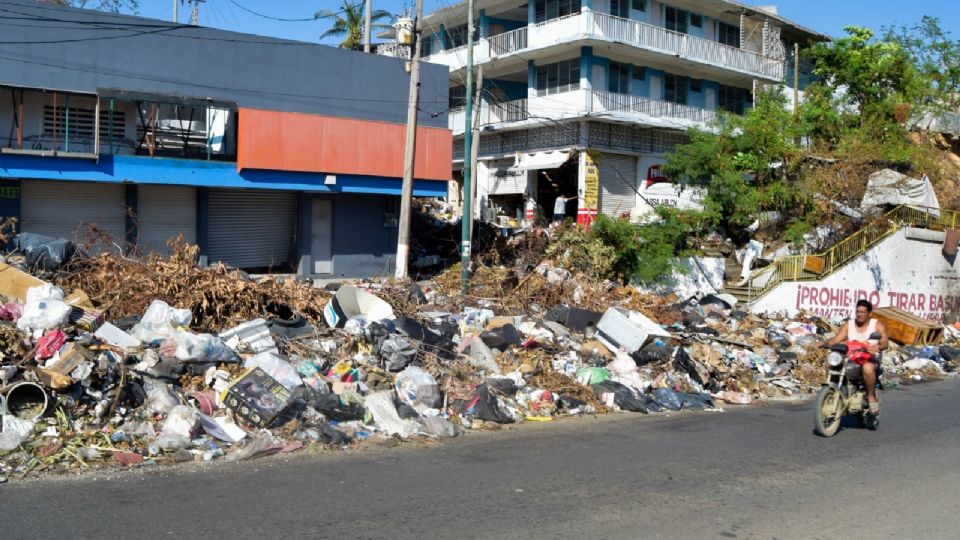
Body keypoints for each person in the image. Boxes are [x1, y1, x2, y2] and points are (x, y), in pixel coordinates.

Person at [825, 299, 889, 414]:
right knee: (832, 363)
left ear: (869, 314)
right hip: (851, 357)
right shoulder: (849, 324)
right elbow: (837, 339)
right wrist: (823, 344)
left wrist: (877, 347)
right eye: (858, 311)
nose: (859, 314)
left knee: (867, 368)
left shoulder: (877, 325)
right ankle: (834, 392)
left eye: (863, 312)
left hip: (870, 358)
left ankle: (871, 397)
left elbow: (885, 342)